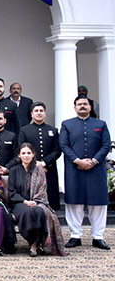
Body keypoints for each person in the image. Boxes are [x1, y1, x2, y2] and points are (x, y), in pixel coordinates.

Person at [59, 95, 111, 250]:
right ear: (74, 107)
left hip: (96, 170)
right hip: (75, 169)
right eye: (79, 104)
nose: (82, 106)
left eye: (85, 104)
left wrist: (94, 161)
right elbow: (63, 145)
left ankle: (98, 236)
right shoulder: (67, 124)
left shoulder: (100, 124)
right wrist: (78, 161)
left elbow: (106, 145)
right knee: (74, 203)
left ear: (90, 107)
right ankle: (75, 235)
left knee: (98, 204)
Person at [8, 143, 67, 257]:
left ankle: (36, 243)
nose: (26, 156)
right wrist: (25, 202)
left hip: (37, 201)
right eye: (23, 153)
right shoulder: (14, 170)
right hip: (19, 203)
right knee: (28, 212)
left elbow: (42, 189)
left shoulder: (39, 170)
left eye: (29, 153)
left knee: (40, 211)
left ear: (33, 154)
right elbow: (12, 192)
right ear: (19, 155)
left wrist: (35, 201)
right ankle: (32, 242)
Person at [17, 102, 60, 209]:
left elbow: (57, 150)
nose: (39, 113)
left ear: (45, 113)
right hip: (30, 170)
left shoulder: (53, 130)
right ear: (32, 114)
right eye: (36, 111)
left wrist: (44, 163)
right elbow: (21, 148)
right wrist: (35, 164)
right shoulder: (24, 130)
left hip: (49, 169)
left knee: (51, 202)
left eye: (41, 111)